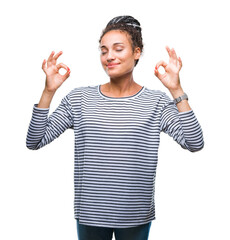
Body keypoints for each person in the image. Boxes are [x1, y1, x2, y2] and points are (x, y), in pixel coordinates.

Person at [26, 15, 204, 240]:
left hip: (135, 215)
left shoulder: (156, 102)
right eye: (103, 50)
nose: (109, 56)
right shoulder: (79, 99)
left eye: (118, 49)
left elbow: (195, 142)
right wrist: (48, 91)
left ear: (137, 53)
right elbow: (35, 140)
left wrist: (176, 90)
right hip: (90, 214)